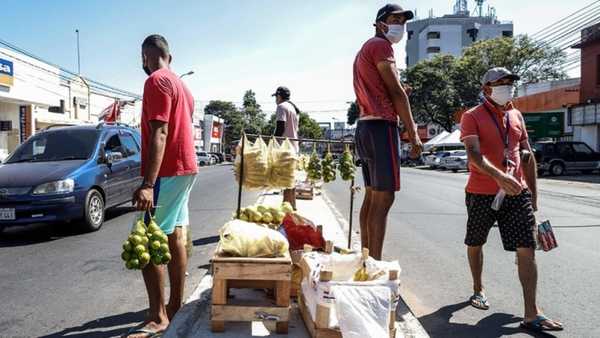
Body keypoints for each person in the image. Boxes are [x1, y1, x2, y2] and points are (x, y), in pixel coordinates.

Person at [460, 67, 563, 332]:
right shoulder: (471, 116)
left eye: (510, 82)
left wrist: (533, 196)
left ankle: (532, 313)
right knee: (476, 241)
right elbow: (473, 154)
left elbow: (527, 156)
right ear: (486, 89)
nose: (507, 86)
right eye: (501, 83)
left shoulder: (516, 115)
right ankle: (478, 288)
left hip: (517, 194)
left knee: (527, 248)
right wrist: (498, 177)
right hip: (481, 192)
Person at [129, 34, 198, 338]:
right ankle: (175, 306)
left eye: (142, 59)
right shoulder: (183, 86)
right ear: (170, 56)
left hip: (167, 172)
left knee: (146, 239)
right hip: (186, 168)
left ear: (147, 56)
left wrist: (147, 183)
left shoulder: (156, 81)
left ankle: (158, 317)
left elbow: (160, 132)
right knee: (176, 236)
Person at [353, 4, 422, 260]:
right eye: (394, 20)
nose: (399, 26)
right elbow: (396, 93)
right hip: (381, 127)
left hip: (365, 126)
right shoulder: (381, 46)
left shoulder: (365, 49)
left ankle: (366, 258)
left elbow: (385, 88)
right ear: (380, 23)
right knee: (384, 200)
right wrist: (413, 133)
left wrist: (399, 92)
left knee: (372, 197)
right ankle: (374, 266)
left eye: (402, 21)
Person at [273, 86, 300, 210]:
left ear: (279, 96)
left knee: (286, 181)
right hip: (293, 148)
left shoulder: (282, 107)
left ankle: (286, 209)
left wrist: (272, 143)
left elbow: (280, 128)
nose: (275, 100)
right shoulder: (293, 108)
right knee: (290, 181)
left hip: (285, 148)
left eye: (276, 97)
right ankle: (292, 207)